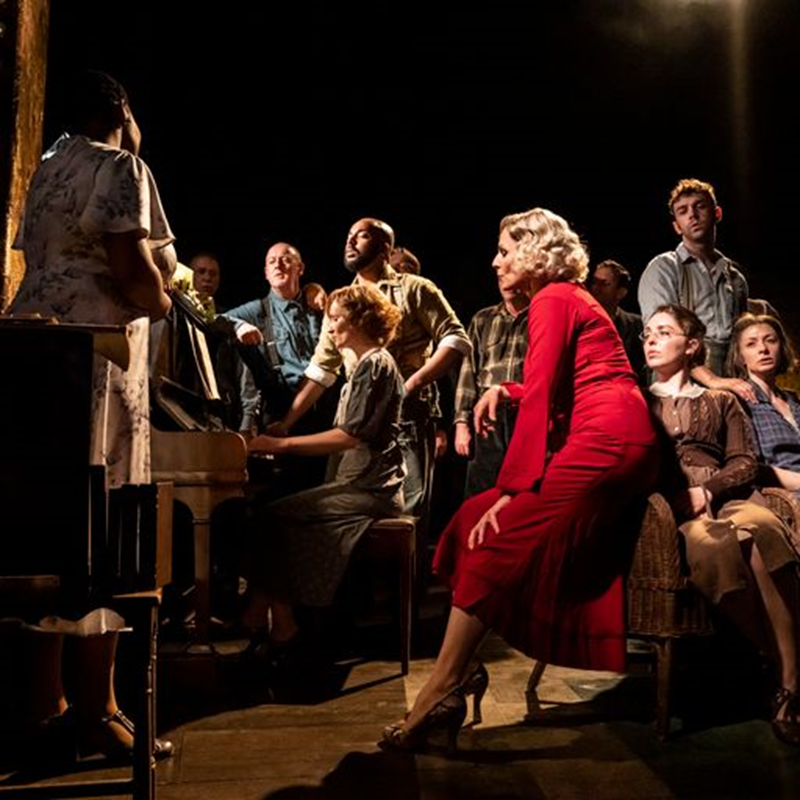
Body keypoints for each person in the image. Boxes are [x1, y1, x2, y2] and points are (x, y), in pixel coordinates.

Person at [380, 208, 659, 753]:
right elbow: (557, 383)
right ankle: (463, 673)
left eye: (505, 250)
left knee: (494, 535)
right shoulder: (566, 298)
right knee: (468, 518)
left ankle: (441, 687)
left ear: (534, 252)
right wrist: (506, 391)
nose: (495, 261)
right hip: (609, 430)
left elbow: (550, 393)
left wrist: (513, 490)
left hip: (608, 439)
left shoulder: (552, 298)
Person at [8, 70, 173, 760]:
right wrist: (163, 299)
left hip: (32, 351)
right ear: (121, 111)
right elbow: (131, 270)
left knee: (44, 526)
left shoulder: (46, 170)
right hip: (96, 355)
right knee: (106, 528)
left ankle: (42, 704)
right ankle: (98, 708)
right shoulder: (119, 164)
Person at [643, 304, 800, 744]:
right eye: (647, 333)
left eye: (663, 332)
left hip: (728, 494)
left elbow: (745, 461)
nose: (651, 339)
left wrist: (708, 490)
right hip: (671, 507)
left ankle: (789, 685)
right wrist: (677, 494)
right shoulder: (638, 401)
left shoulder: (721, 399)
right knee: (714, 551)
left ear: (691, 345)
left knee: (763, 532)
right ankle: (784, 665)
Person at [274, 218, 470, 555]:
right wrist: (286, 423)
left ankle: (405, 586)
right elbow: (321, 369)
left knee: (407, 514)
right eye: (348, 235)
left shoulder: (415, 288)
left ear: (384, 248)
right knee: (341, 514)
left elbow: (455, 338)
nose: (350, 242)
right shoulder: (342, 301)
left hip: (407, 418)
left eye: (362, 236)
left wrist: (411, 384)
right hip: (356, 421)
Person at [241, 284, 405, 655]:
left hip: (372, 491)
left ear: (361, 320)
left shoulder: (376, 364)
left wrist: (279, 445)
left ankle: (275, 620)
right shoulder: (362, 367)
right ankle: (271, 616)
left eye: (336, 319)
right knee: (272, 514)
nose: (329, 327)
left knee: (272, 515)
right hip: (361, 484)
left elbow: (349, 436)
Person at [638, 178, 752, 401]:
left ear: (717, 213)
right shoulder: (664, 268)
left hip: (730, 378)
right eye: (683, 211)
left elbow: (742, 338)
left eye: (700, 206)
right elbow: (662, 338)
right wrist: (712, 380)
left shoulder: (735, 278)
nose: (692, 215)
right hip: (678, 383)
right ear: (677, 226)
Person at [224, 242, 325, 437]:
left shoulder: (316, 304)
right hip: (282, 412)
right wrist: (238, 326)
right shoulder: (256, 310)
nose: (278, 265)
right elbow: (214, 321)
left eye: (285, 260)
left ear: (300, 268)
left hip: (325, 409)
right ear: (266, 273)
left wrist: (317, 290)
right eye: (272, 262)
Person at [454, 277, 528, 497]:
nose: (506, 285)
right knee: (481, 487)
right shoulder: (483, 318)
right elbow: (469, 370)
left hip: (523, 409)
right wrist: (461, 422)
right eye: (501, 279)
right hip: (486, 413)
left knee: (519, 488)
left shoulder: (539, 316)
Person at [728, 313, 800, 497]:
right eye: (751, 344)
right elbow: (751, 467)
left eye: (771, 341)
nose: (763, 349)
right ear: (740, 356)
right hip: (785, 494)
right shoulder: (738, 402)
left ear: (781, 348)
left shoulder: (793, 401)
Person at [588, 259, 646, 383]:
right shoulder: (579, 323)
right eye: (594, 282)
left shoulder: (638, 326)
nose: (596, 288)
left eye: (605, 284)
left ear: (621, 293)